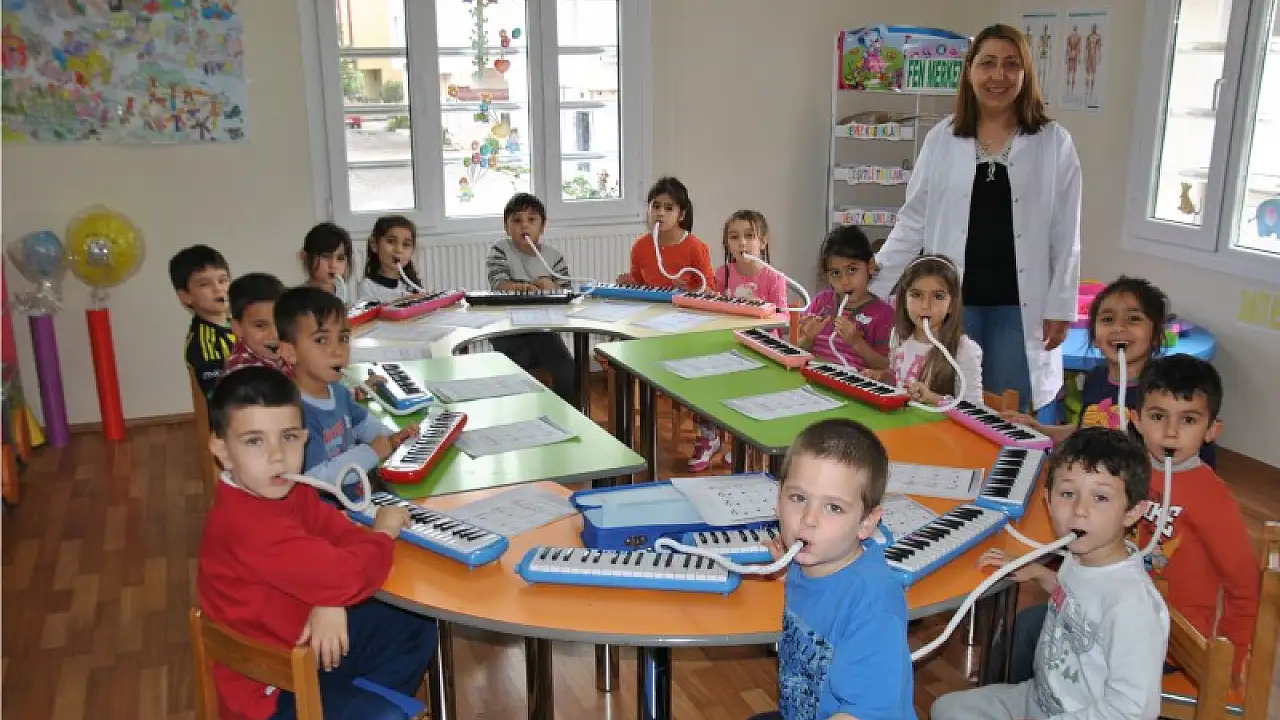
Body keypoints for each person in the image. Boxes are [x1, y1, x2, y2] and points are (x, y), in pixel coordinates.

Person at [197, 366, 435, 720]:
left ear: (305, 438)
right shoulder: (247, 525)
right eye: (254, 441)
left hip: (304, 641)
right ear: (222, 450)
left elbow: (341, 533)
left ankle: (358, 699)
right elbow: (347, 574)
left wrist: (329, 598)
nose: (277, 456)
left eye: (289, 437)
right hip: (272, 690)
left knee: (414, 621)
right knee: (387, 713)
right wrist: (383, 534)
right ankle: (365, 706)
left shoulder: (286, 489)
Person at [871, 23, 1082, 418]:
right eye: (987, 63)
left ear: (1026, 73)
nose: (998, 75)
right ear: (969, 71)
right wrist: (875, 280)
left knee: (1004, 414)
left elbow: (1066, 233)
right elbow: (914, 220)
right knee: (943, 406)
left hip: (1018, 308)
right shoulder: (942, 139)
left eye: (1011, 64)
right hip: (951, 304)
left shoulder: (1054, 143)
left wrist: (1061, 305)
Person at [931, 427, 1169, 720]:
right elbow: (1080, 600)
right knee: (946, 709)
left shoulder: (1133, 606)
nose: (1079, 510)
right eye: (1068, 494)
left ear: (1132, 512)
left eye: (1100, 498)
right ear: (1048, 500)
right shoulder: (1081, 556)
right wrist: (1038, 572)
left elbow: (1133, 710)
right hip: (1040, 698)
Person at [749, 418, 915, 720]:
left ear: (867, 523)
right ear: (778, 499)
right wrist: (786, 573)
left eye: (833, 507)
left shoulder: (874, 606)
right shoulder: (812, 559)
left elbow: (864, 714)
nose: (808, 519)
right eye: (798, 498)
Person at [1134, 355, 1257, 681]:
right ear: (1137, 420)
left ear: (1211, 431)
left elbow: (1243, 585)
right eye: (1158, 416)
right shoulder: (1130, 472)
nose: (1170, 432)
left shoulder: (1213, 498)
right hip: (1122, 616)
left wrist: (1230, 660)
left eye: (1188, 420)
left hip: (1171, 643)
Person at [1005, 276, 1217, 466]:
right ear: (1094, 336)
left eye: (1134, 319)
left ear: (1155, 336)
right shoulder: (1096, 377)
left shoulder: (1162, 390)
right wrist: (1041, 430)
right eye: (1107, 319)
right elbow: (1085, 431)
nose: (1119, 328)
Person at [273, 287, 417, 501]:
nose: (337, 350)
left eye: (343, 338)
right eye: (321, 340)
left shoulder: (337, 391)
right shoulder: (294, 412)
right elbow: (315, 479)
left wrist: (394, 437)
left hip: (359, 498)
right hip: (331, 512)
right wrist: (371, 452)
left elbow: (363, 424)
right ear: (290, 352)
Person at [689, 210, 791, 470]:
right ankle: (709, 437)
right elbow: (716, 312)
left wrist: (762, 309)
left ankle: (743, 440)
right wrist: (709, 299)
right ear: (726, 244)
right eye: (734, 237)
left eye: (749, 236)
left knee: (749, 391)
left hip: (762, 351)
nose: (742, 243)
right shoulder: (723, 273)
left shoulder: (774, 278)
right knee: (701, 378)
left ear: (763, 242)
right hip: (730, 345)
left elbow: (784, 318)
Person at [484, 192, 579, 406]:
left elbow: (566, 292)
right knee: (518, 369)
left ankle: (570, 414)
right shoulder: (500, 250)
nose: (524, 225)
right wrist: (522, 288)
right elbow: (499, 283)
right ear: (507, 227)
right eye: (516, 220)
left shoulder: (553, 257)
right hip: (508, 329)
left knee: (567, 369)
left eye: (531, 220)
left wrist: (550, 286)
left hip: (543, 329)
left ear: (542, 227)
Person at [875, 255, 984, 407]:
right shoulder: (897, 336)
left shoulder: (965, 349)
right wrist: (884, 376)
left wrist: (934, 399)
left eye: (938, 296)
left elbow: (975, 411)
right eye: (916, 295)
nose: (926, 305)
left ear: (952, 305)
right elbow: (900, 378)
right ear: (904, 300)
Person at [795, 225, 894, 372]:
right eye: (836, 273)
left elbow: (887, 368)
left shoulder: (883, 314)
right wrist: (808, 338)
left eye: (852, 270)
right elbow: (796, 350)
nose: (845, 281)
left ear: (870, 266)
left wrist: (857, 343)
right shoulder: (821, 302)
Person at [617, 176, 716, 292]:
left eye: (669, 208)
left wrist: (687, 289)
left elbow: (710, 291)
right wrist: (629, 284)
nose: (660, 213)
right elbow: (638, 285)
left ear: (681, 215)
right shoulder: (639, 246)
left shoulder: (696, 247)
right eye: (656, 207)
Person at [170, 244, 235, 400]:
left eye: (222, 280)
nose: (218, 289)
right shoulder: (203, 343)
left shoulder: (239, 324)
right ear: (186, 296)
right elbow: (220, 397)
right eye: (204, 284)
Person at [224, 272, 291, 377]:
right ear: (237, 328)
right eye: (260, 326)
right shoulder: (244, 375)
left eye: (279, 322)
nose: (275, 334)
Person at [357, 216, 424, 304]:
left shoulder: (412, 284)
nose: (399, 249)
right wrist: (401, 302)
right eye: (391, 241)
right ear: (374, 244)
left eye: (406, 244)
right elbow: (370, 311)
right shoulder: (367, 286)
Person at [301, 222, 354, 303]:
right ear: (306, 257)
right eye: (325, 256)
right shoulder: (299, 299)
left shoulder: (344, 292)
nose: (333, 265)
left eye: (340, 258)